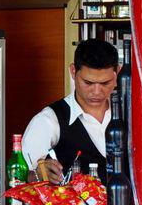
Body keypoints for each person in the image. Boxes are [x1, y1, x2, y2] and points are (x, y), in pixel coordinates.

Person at [21, 39, 118, 184]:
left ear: (118, 73)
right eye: (88, 83)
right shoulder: (48, 120)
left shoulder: (131, 115)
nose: (97, 91)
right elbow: (20, 179)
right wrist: (38, 174)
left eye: (105, 83)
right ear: (73, 71)